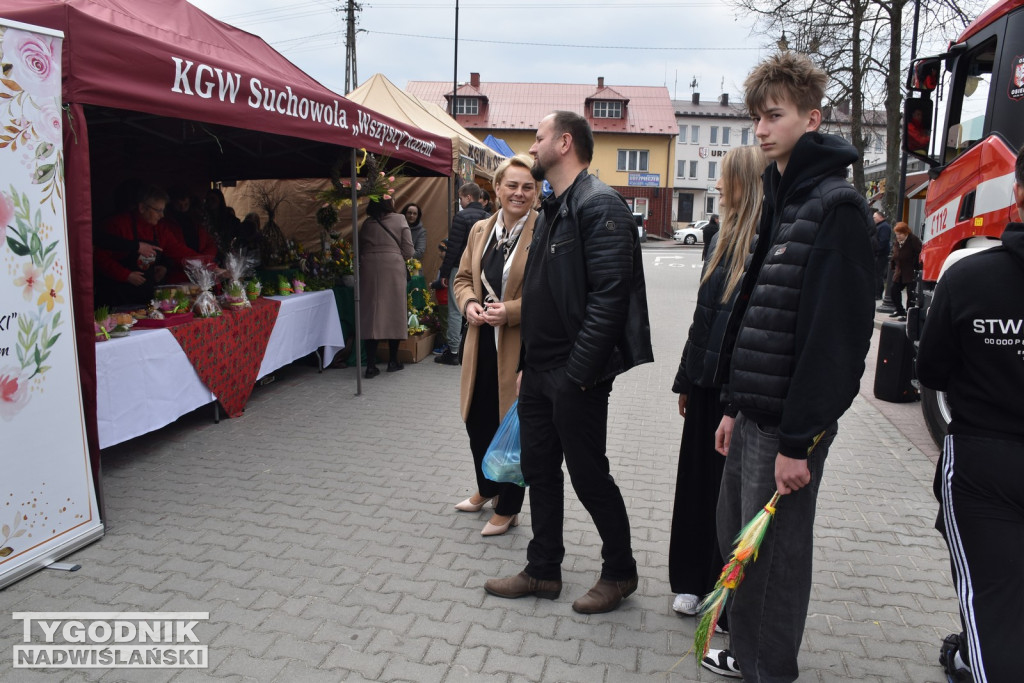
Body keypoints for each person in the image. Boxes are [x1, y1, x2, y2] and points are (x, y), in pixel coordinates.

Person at [703, 53, 874, 681]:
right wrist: (731, 404)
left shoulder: (837, 207)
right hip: (754, 415)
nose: (761, 130)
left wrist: (798, 441)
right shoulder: (786, 194)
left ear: (812, 117)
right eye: (756, 118)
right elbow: (757, 310)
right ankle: (749, 657)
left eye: (775, 116)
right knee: (741, 552)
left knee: (772, 563)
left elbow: (835, 343)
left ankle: (768, 670)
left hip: (786, 429)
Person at [483, 111, 653, 614]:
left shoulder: (599, 205)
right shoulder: (556, 205)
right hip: (540, 372)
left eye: (537, 139)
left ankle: (621, 572)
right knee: (539, 468)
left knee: (588, 474)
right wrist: (529, 364)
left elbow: (609, 299)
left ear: (564, 142)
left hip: (577, 374)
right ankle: (542, 570)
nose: (531, 148)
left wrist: (579, 375)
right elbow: (544, 296)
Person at [917, 147, 1024, 683]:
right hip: (985, 460)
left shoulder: (968, 277)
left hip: (983, 461)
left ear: (1017, 196)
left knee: (993, 604)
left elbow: (931, 370)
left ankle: (977, 660)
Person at [669, 146, 763, 622]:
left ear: (744, 182)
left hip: (739, 391)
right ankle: (688, 580)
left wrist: (732, 398)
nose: (718, 187)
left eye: (724, 179)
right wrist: (686, 378)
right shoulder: (718, 238)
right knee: (696, 486)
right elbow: (703, 318)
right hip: (706, 385)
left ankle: (722, 592)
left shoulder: (764, 241)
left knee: (730, 498)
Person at [451, 154, 538, 536]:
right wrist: (469, 303)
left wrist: (513, 312)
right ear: (497, 188)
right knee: (477, 419)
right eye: (512, 185)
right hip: (480, 340)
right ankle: (487, 488)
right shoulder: (480, 230)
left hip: (520, 346)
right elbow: (461, 279)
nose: (519, 193)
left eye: (528, 187)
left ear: (536, 192)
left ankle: (509, 505)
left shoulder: (545, 230)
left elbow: (554, 295)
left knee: (513, 428)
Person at [94, 185, 202, 306]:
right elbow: (99, 257)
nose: (162, 216)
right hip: (116, 297)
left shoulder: (160, 229)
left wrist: (207, 264)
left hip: (145, 296)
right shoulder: (117, 225)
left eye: (163, 210)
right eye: (158, 210)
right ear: (142, 208)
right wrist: (125, 275)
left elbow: (180, 251)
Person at [358, 198, 414, 378]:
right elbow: (409, 251)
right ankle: (392, 360)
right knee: (394, 312)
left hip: (369, 267)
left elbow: (359, 248)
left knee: (370, 313)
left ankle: (371, 365)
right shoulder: (400, 219)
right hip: (392, 267)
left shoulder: (367, 223)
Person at [436, 183, 489, 366]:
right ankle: (473, 347)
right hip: (481, 270)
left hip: (460, 268)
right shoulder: (488, 217)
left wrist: (444, 272)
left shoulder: (461, 216)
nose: (460, 202)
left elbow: (454, 247)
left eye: (460, 198)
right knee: (478, 306)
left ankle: (453, 351)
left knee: (456, 309)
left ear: (468, 197)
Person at [164, 187, 219, 283]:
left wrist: (203, 259)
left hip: (203, 270)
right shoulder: (167, 222)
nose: (182, 208)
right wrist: (201, 261)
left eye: (186, 204)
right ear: (172, 203)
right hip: (180, 273)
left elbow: (211, 243)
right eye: (178, 205)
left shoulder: (199, 219)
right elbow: (175, 248)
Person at [888, 221, 922, 320]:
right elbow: (895, 254)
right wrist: (893, 265)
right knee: (894, 290)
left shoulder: (913, 240)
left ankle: (908, 314)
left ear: (905, 233)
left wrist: (917, 266)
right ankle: (900, 310)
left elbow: (919, 253)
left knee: (910, 294)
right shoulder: (897, 242)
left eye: (900, 234)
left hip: (910, 271)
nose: (898, 236)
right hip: (899, 271)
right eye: (897, 234)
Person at [872, 210, 892, 300]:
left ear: (880, 217)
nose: (873, 219)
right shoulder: (881, 226)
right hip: (878, 254)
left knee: (878, 274)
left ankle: (877, 293)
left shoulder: (884, 227)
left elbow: (883, 241)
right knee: (876, 274)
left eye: (874, 217)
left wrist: (877, 250)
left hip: (880, 255)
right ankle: (876, 292)